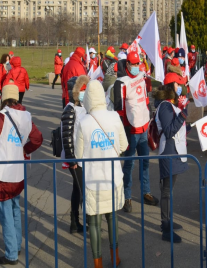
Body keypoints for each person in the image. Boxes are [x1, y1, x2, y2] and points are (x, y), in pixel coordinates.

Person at [0, 82, 43, 266]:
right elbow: (37, 138)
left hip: (3, 172)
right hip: (18, 169)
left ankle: (11, 253)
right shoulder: (25, 116)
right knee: (15, 208)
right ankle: (16, 245)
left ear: (3, 98)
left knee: (6, 212)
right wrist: (24, 149)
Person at [75, 79, 127, 267]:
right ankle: (116, 258)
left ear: (88, 98)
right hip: (113, 178)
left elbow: (78, 155)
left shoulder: (83, 122)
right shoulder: (114, 117)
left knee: (94, 224)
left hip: (92, 181)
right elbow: (124, 145)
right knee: (112, 218)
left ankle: (98, 264)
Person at [113, 51, 158, 212]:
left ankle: (146, 192)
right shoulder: (121, 83)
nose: (136, 67)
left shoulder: (142, 77)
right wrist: (123, 132)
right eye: (133, 64)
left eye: (138, 63)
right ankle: (127, 197)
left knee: (145, 162)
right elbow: (119, 110)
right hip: (131, 131)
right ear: (127, 65)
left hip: (144, 128)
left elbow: (146, 99)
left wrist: (151, 113)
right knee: (129, 165)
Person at [153, 73, 189, 243]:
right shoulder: (165, 106)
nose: (180, 88)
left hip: (174, 151)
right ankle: (165, 227)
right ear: (171, 87)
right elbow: (168, 132)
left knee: (169, 190)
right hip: (168, 152)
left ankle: (167, 221)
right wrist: (182, 114)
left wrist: (187, 123)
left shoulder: (169, 105)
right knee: (166, 191)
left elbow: (177, 129)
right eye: (178, 85)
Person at [59, 75, 89, 233]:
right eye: (81, 90)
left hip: (83, 156)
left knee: (77, 189)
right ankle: (87, 223)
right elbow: (67, 136)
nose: (84, 92)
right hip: (75, 158)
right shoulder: (69, 109)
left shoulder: (83, 106)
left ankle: (74, 222)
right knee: (82, 190)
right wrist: (72, 160)